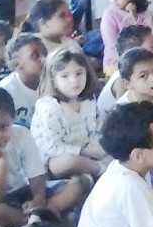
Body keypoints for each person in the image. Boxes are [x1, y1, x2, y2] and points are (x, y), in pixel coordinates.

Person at [0, 87, 90, 227]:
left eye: (3, 127)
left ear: (13, 119)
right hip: (2, 202)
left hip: (25, 191)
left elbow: (37, 175)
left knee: (78, 184)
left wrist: (38, 199)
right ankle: (35, 221)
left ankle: (43, 215)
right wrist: (2, 160)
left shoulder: (22, 134)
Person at [30, 49, 107, 179]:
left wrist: (97, 149)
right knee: (69, 162)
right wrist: (83, 151)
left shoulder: (89, 101)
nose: (74, 81)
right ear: (53, 80)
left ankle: (90, 174)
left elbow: (94, 132)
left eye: (79, 73)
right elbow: (52, 147)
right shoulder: (49, 107)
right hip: (55, 160)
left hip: (87, 154)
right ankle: (102, 171)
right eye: (65, 76)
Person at [100, 0, 148, 74]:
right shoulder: (109, 15)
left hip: (143, 60)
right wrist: (129, 64)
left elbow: (145, 35)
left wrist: (133, 15)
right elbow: (112, 46)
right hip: (116, 63)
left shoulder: (143, 14)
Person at [0, 33, 47, 126]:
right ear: (17, 64)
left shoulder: (54, 81)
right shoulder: (7, 90)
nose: (44, 59)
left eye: (45, 53)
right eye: (35, 56)